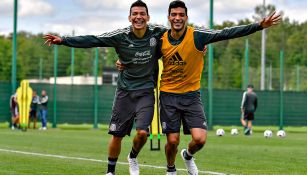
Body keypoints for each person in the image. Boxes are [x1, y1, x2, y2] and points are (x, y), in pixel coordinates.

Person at [43, 1, 168, 174]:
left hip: (146, 91)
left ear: (148, 17)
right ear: (129, 17)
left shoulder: (158, 32)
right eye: (135, 14)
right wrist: (64, 40)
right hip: (124, 92)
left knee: (142, 134)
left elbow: (182, 37)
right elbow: (94, 40)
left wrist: (200, 46)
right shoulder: (120, 35)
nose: (138, 17)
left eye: (142, 14)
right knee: (117, 135)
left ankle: (132, 157)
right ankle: (110, 171)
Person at [156, 1, 280, 174]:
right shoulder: (159, 38)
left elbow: (226, 33)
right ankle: (170, 169)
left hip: (191, 96)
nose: (177, 18)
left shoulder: (198, 35)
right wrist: (122, 61)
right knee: (173, 140)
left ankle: (188, 155)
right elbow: (142, 53)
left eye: (181, 15)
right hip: (168, 95)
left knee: (199, 140)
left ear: (186, 17)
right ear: (169, 17)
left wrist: (259, 25)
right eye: (174, 14)